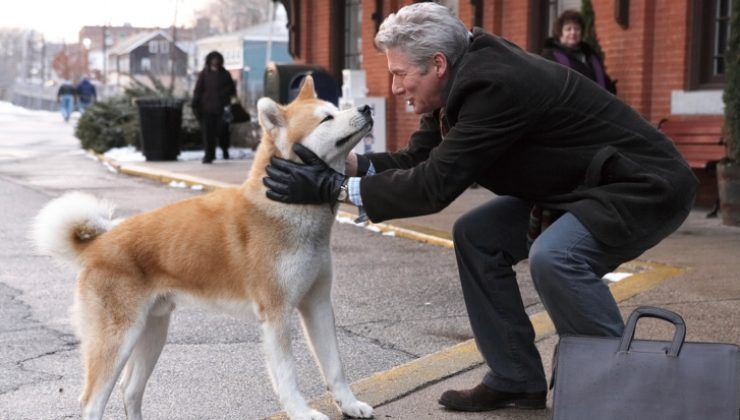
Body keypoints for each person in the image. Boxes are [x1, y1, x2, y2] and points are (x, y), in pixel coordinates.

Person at [262, 2, 697, 412]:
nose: (394, 89)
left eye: (399, 74)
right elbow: (420, 160)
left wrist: (331, 188)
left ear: (437, 64)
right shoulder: (456, 80)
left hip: (641, 186)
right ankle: (515, 377)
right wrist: (346, 164)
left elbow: (434, 186)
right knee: (477, 236)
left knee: (556, 257)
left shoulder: (494, 85)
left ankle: (627, 388)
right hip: (579, 186)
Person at [541, 9, 617, 94]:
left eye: (577, 29)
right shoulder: (550, 57)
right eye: (568, 29)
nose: (573, 32)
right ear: (560, 32)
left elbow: (604, 81)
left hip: (597, 104)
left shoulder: (591, 55)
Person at [191, 51, 237, 164]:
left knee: (223, 131)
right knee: (208, 134)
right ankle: (209, 155)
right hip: (207, 109)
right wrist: (195, 102)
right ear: (209, 60)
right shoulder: (204, 74)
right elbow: (198, 89)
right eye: (213, 59)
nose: (215, 61)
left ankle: (224, 149)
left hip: (222, 109)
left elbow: (232, 90)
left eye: (217, 59)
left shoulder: (225, 74)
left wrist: (225, 97)